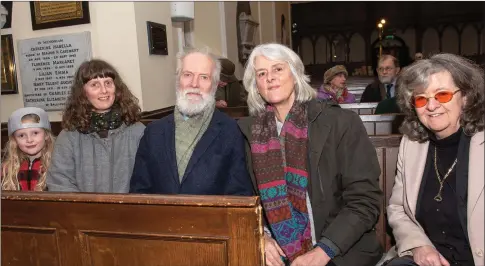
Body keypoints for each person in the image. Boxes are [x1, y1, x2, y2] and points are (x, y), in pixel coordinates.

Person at [238, 43, 382, 266]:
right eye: (262, 73)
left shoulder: (340, 123)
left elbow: (365, 200)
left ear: (295, 75)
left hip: (340, 250)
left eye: (278, 69)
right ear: (256, 86)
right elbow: (244, 199)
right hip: (277, 253)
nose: (270, 78)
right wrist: (261, 235)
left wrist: (324, 251)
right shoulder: (248, 133)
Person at [382, 53, 484, 266]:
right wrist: (419, 246)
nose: (431, 106)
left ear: (465, 97)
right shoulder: (411, 145)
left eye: (442, 95)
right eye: (421, 98)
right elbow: (398, 208)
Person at [129, 47, 253, 196]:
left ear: (214, 85)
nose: (194, 84)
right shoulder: (153, 132)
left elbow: (239, 194)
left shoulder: (231, 131)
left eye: (204, 77)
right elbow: (140, 192)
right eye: (187, 75)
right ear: (178, 80)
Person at [46, 59, 145, 193]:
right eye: (95, 85)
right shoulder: (69, 136)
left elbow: (149, 178)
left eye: (108, 83)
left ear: (117, 88)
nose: (104, 90)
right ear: (83, 92)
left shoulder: (137, 131)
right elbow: (60, 182)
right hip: (84, 212)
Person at [1, 107, 54, 191]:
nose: (29, 140)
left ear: (46, 135)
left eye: (35, 133)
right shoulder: (7, 168)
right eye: (21, 135)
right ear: (14, 140)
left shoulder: (55, 165)